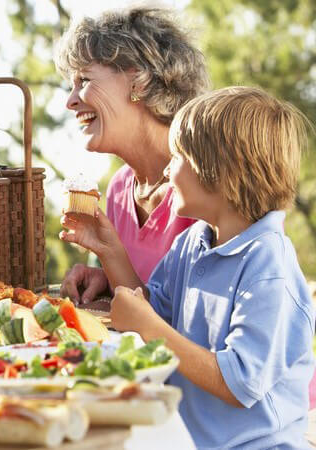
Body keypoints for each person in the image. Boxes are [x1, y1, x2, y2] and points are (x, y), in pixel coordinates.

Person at [61, 86, 314, 448]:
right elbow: (152, 310)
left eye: (178, 157)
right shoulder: (194, 241)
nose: (166, 168)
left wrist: (148, 325)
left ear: (220, 171)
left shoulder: (268, 263)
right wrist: (110, 251)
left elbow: (238, 382)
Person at [53, 7, 208, 303]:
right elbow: (143, 294)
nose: (70, 101)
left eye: (84, 81)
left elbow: (196, 322)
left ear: (139, 80)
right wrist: (107, 278)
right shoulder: (121, 187)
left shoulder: (205, 183)